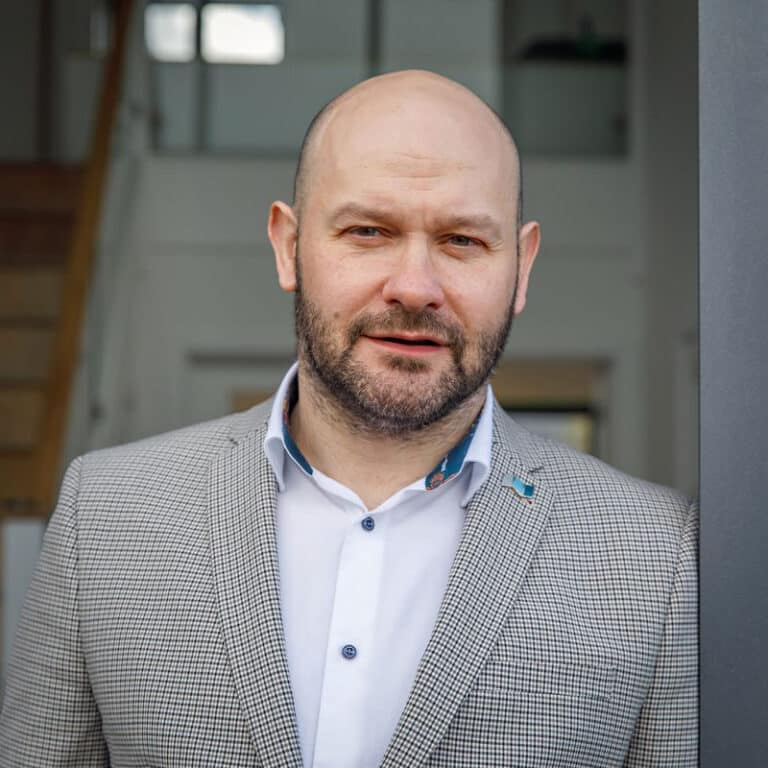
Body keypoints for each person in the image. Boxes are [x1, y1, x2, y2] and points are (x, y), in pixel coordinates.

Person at [0, 70, 697, 767]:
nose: (416, 288)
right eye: (369, 231)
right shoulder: (106, 514)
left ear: (521, 267)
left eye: (462, 241)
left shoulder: (655, 556)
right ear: (287, 246)